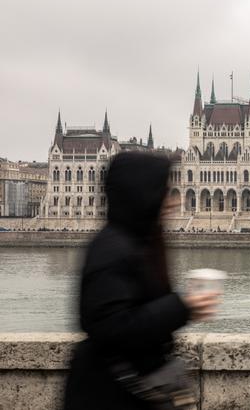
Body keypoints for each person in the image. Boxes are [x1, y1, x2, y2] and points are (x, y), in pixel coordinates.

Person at [64, 152, 219, 410]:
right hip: (107, 395)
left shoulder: (138, 242)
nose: (171, 202)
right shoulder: (112, 249)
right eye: (164, 192)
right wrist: (182, 307)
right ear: (144, 196)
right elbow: (112, 326)